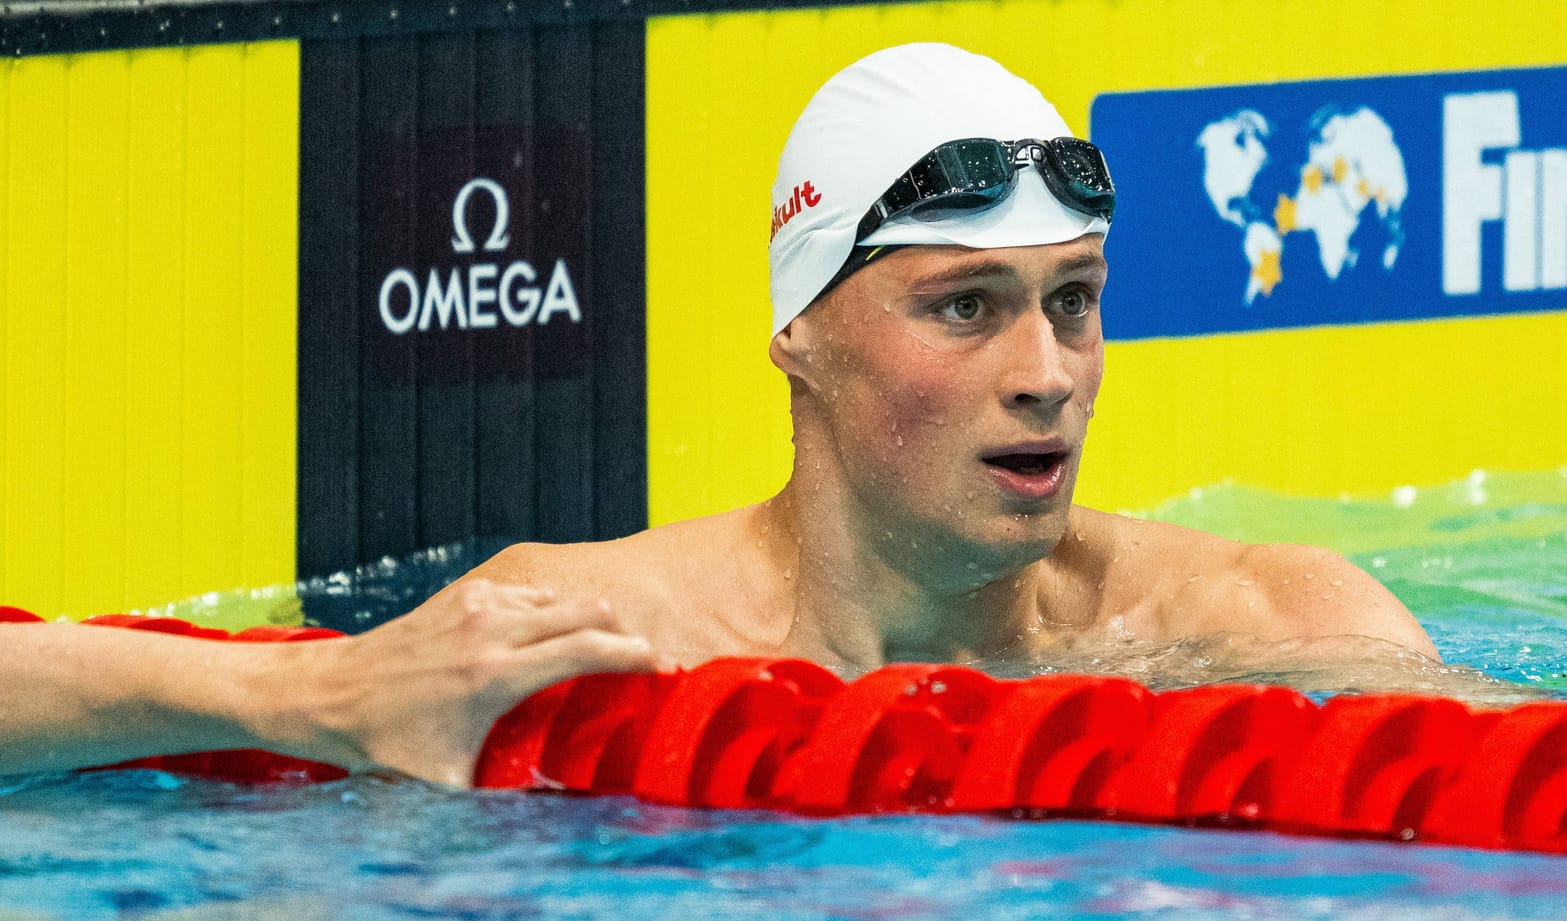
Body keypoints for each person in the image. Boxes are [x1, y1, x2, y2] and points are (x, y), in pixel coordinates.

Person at [0, 43, 1462, 787]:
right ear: (801, 339)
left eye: (1071, 299)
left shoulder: (1276, 624)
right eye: (968, 306)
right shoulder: (594, 632)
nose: (1048, 370)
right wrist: (306, 700)